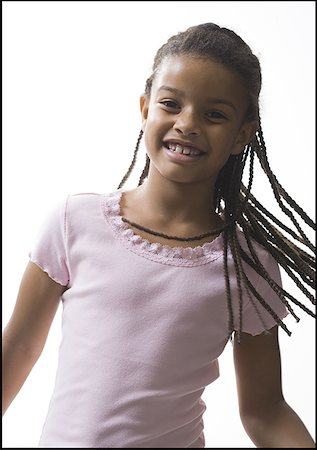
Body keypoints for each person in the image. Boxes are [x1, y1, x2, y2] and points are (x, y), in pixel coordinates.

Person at [2, 22, 315, 448]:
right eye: (171, 104)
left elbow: (264, 409)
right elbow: (17, 349)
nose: (187, 124)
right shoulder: (74, 222)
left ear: (242, 133)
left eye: (215, 114)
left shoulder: (247, 266)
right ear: (146, 107)